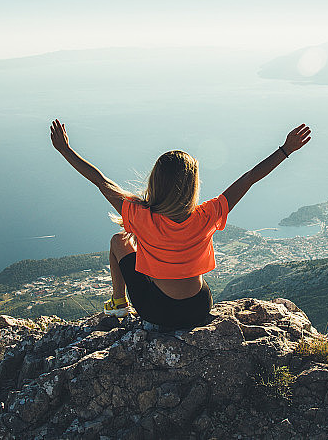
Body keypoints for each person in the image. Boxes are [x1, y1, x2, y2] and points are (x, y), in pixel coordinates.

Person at [50, 119, 312, 329]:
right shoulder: (207, 215)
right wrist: (285, 150)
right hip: (199, 306)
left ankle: (119, 303)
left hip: (158, 310)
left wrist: (65, 150)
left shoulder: (140, 215)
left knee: (119, 241)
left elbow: (101, 181)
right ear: (192, 186)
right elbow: (249, 178)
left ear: (156, 181)